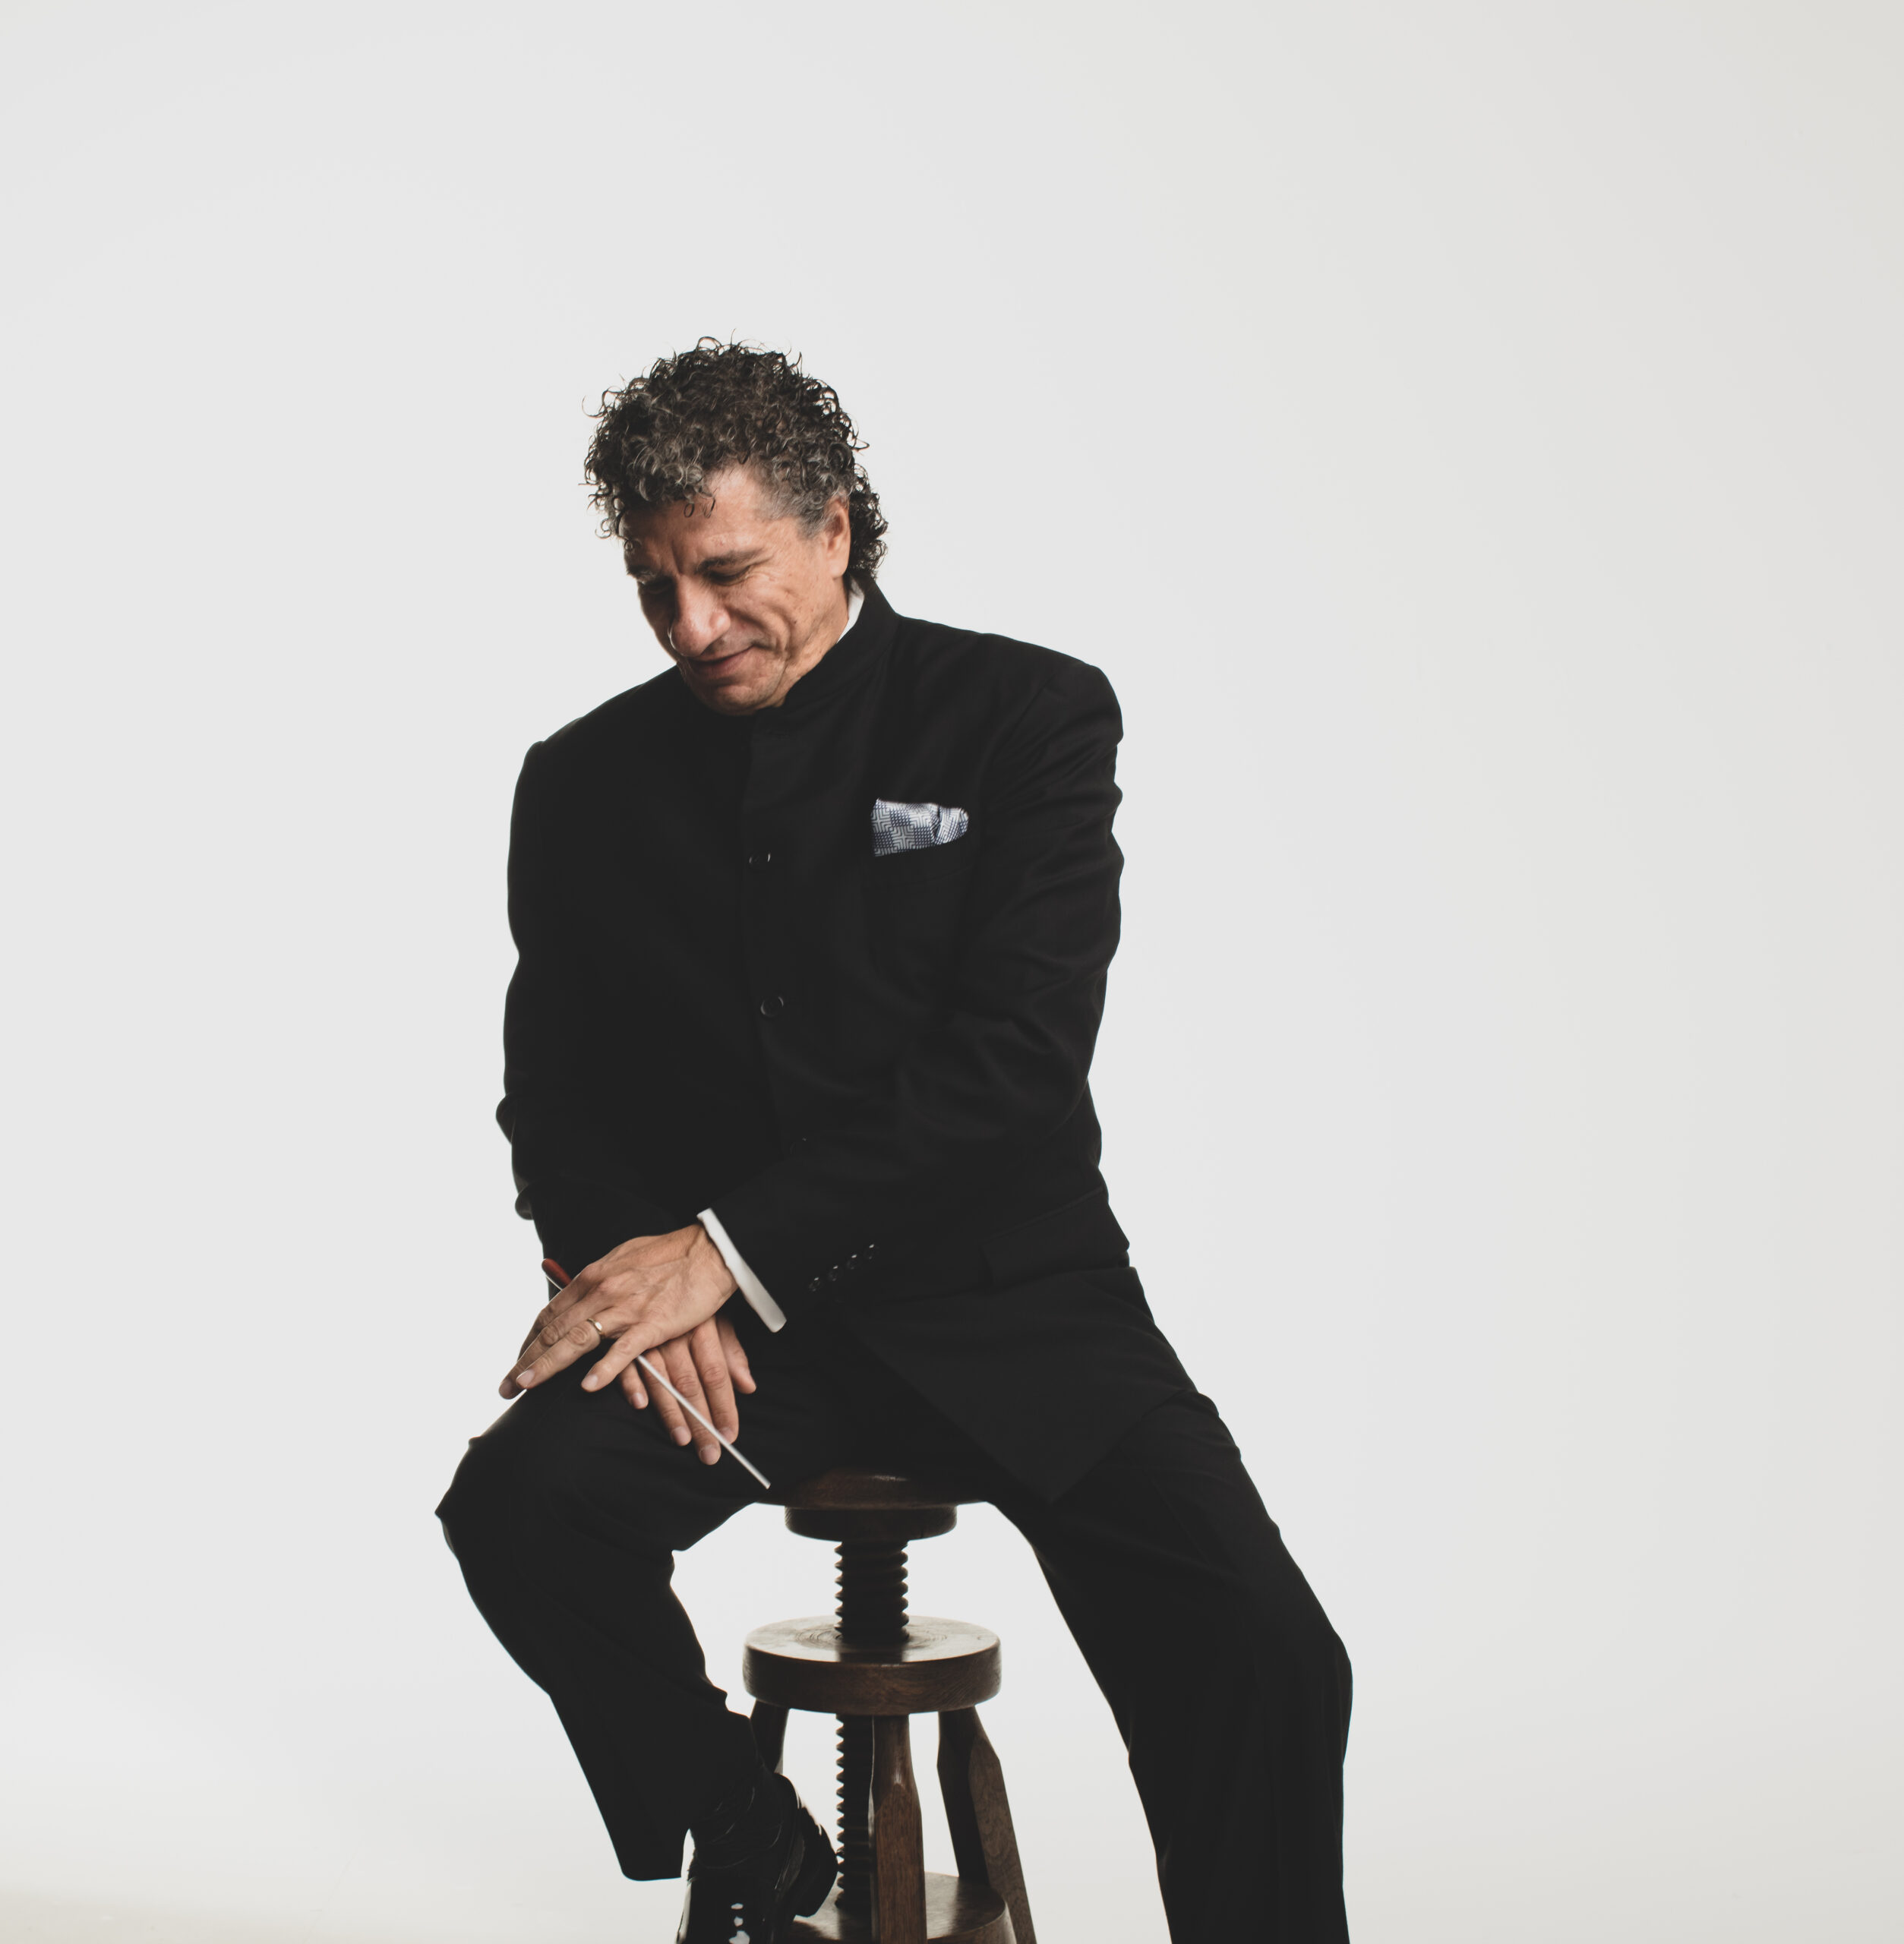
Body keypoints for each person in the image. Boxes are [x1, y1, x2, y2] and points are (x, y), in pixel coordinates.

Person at [437, 340, 1352, 1943]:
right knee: (517, 1508)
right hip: (745, 1349)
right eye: (655, 587)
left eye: (727, 573)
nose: (691, 625)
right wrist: (634, 1279)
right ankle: (753, 1840)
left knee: (1267, 1659)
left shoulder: (1027, 716)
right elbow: (555, 1091)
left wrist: (717, 1251)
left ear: (837, 528)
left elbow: (1012, 1071)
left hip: (1016, 1307)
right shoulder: (578, 783)